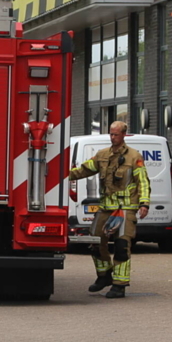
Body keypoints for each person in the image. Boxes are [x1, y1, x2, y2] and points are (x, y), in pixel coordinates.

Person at [69, 121, 151, 299]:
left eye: (116, 134)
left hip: (125, 208)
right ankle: (104, 276)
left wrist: (144, 203)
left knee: (122, 246)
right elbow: (84, 170)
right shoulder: (102, 155)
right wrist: (62, 174)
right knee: (95, 243)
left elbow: (143, 182)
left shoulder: (134, 157)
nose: (112, 137)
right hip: (106, 207)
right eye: (111, 134)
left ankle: (119, 285)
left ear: (123, 135)